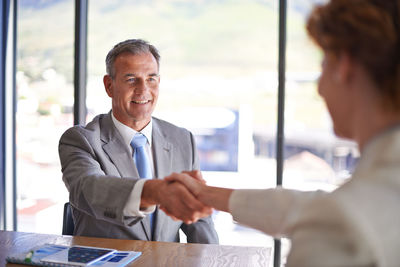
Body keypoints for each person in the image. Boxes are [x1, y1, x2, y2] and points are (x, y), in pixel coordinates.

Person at [165, 0, 400, 265]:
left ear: (344, 65)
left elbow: (329, 214)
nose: (320, 88)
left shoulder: (341, 226)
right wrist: (209, 195)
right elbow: (305, 207)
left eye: (323, 63)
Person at [58, 39, 218, 244]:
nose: (143, 90)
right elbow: (89, 189)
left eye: (151, 79)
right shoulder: (81, 140)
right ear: (109, 85)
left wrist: (213, 258)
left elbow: (199, 219)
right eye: (131, 79)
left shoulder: (182, 139)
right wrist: (154, 191)